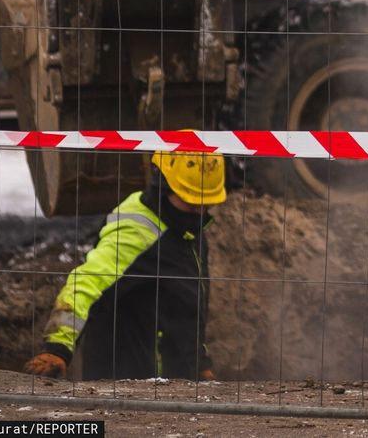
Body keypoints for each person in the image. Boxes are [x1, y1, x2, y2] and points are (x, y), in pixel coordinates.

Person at [23, 148, 226, 381]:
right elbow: (85, 284)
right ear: (164, 185)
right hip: (125, 382)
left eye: (206, 203)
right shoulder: (137, 232)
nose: (199, 211)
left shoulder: (187, 231)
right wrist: (58, 348)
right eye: (191, 202)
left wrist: (198, 365)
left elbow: (185, 309)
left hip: (174, 385)